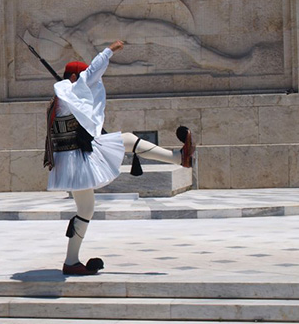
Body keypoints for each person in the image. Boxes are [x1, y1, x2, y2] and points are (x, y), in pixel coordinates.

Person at [44, 40, 195, 276]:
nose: (90, 84)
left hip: (73, 160)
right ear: (75, 78)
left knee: (86, 209)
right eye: (82, 78)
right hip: (76, 161)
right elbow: (91, 73)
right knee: (124, 141)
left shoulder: (62, 97)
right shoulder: (69, 91)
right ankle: (178, 158)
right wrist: (109, 51)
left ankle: (71, 262)